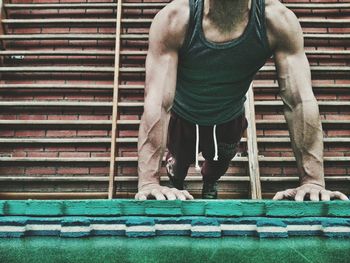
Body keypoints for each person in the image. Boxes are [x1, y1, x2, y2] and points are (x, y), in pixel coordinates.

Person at [135, 0, 349, 201]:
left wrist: (313, 182)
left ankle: (209, 182)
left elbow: (300, 102)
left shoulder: (277, 20)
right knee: (178, 165)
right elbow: (157, 103)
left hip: (229, 116)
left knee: (218, 166)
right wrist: (148, 183)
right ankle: (178, 180)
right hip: (184, 115)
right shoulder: (175, 19)